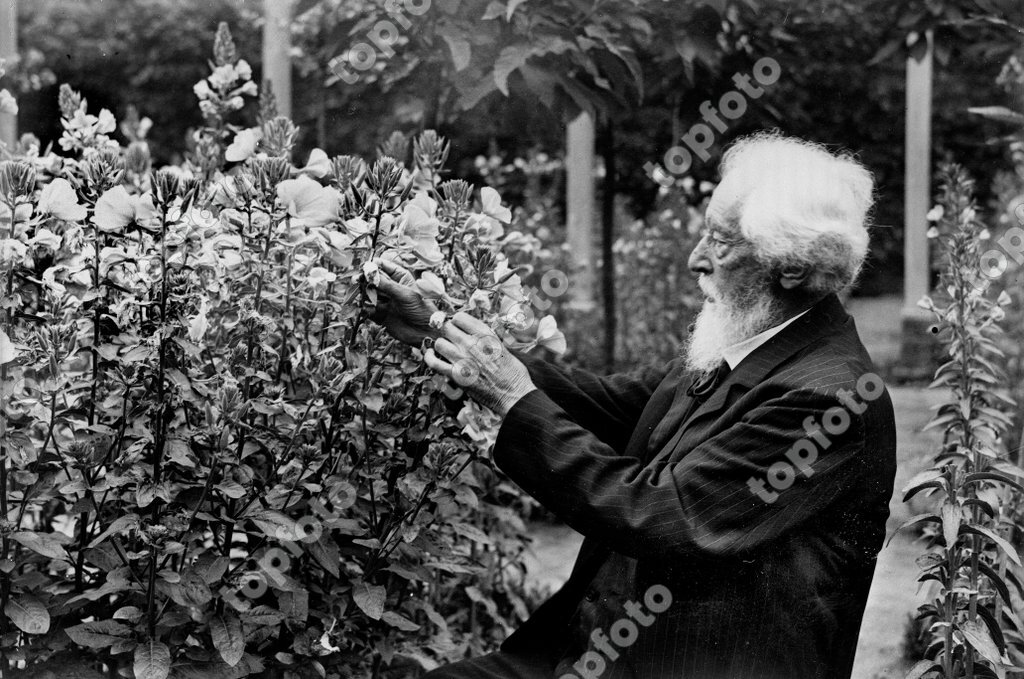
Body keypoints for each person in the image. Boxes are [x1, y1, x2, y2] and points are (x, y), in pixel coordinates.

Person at [368, 132, 897, 679]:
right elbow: (609, 404)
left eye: (721, 242)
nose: (696, 259)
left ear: (790, 269)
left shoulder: (827, 398)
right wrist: (436, 327)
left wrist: (508, 394)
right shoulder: (754, 343)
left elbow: (661, 518)